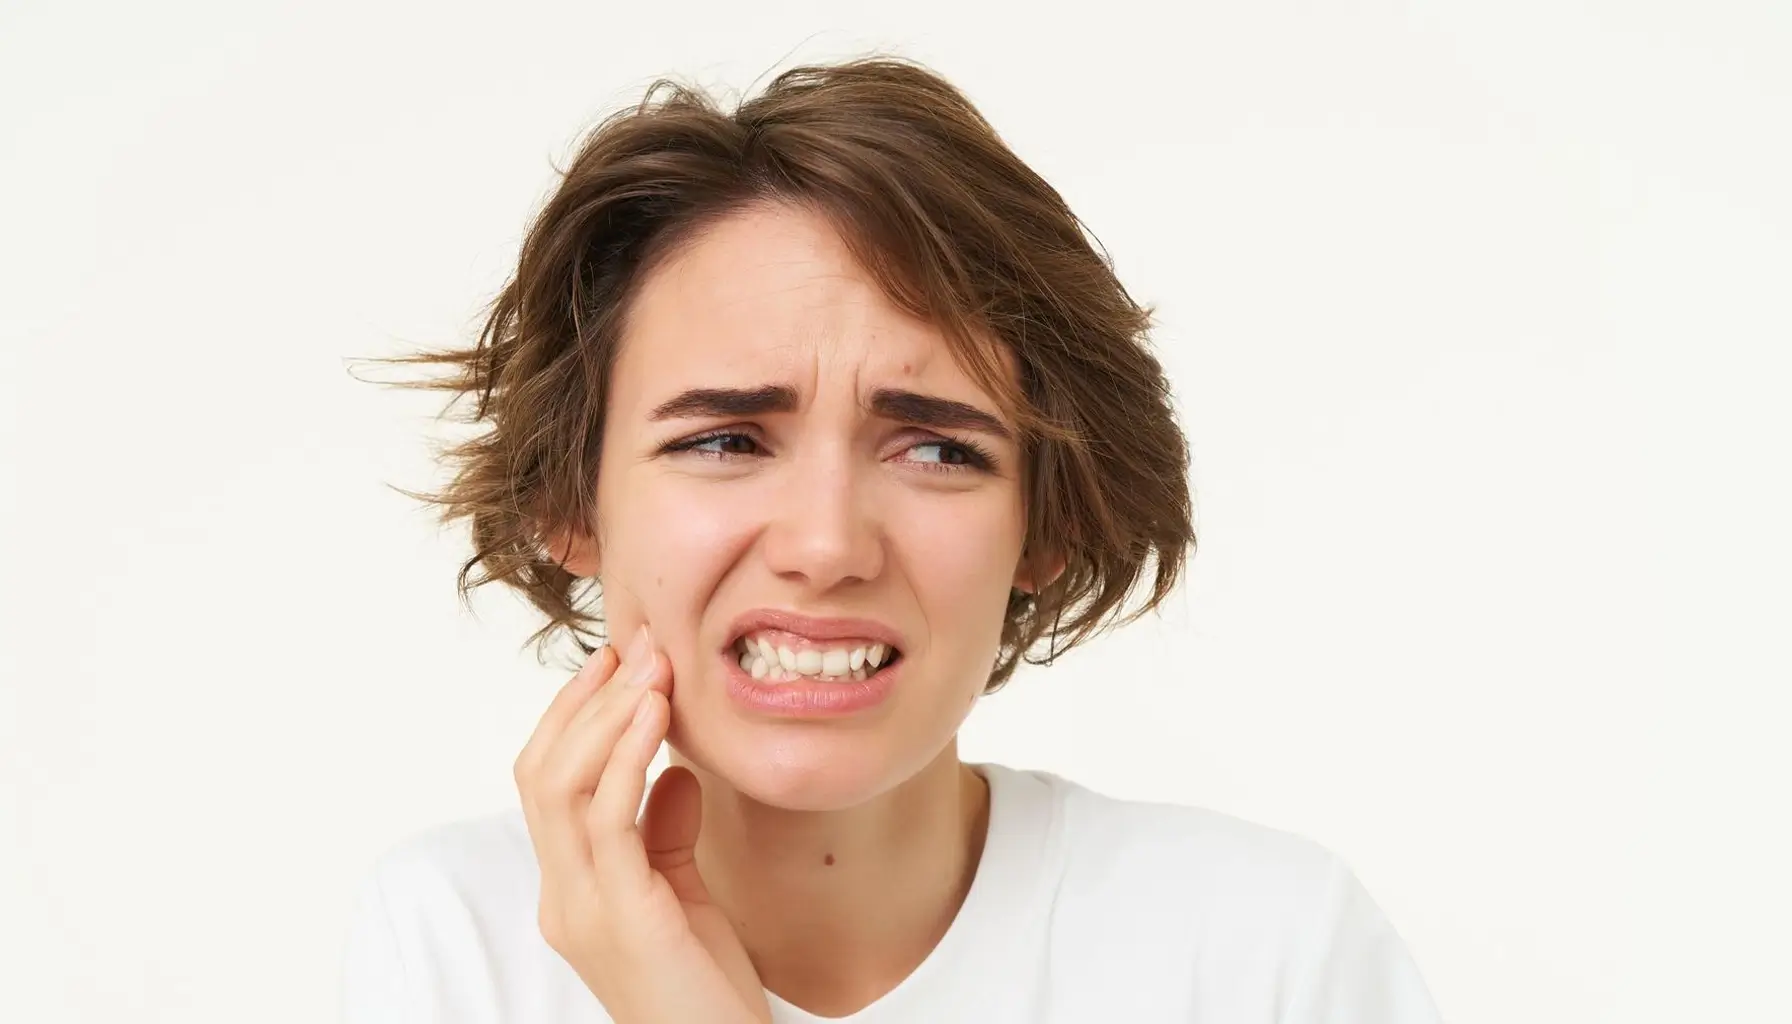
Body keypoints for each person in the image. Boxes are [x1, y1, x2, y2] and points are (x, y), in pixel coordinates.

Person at [341, 55, 1444, 1023]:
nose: (826, 546)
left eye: (936, 451)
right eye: (725, 439)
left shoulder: (1267, 955)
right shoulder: (458, 946)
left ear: (1045, 525)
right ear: (569, 504)